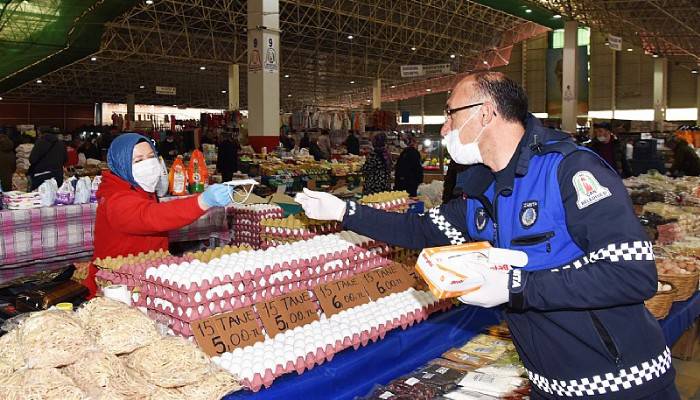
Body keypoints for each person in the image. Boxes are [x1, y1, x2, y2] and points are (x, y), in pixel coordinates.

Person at [295, 72, 678, 400]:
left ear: (486, 112)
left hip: (622, 384)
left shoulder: (570, 171)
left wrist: (516, 286)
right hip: (550, 384)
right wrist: (346, 212)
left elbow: (632, 273)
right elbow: (423, 229)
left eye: (449, 113)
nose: (443, 128)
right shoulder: (487, 191)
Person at [84, 133, 234, 297]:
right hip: (117, 286)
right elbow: (150, 216)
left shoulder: (140, 189)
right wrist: (202, 201)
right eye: (138, 160)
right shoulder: (116, 198)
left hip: (145, 278)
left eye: (150, 156)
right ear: (121, 164)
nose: (148, 164)